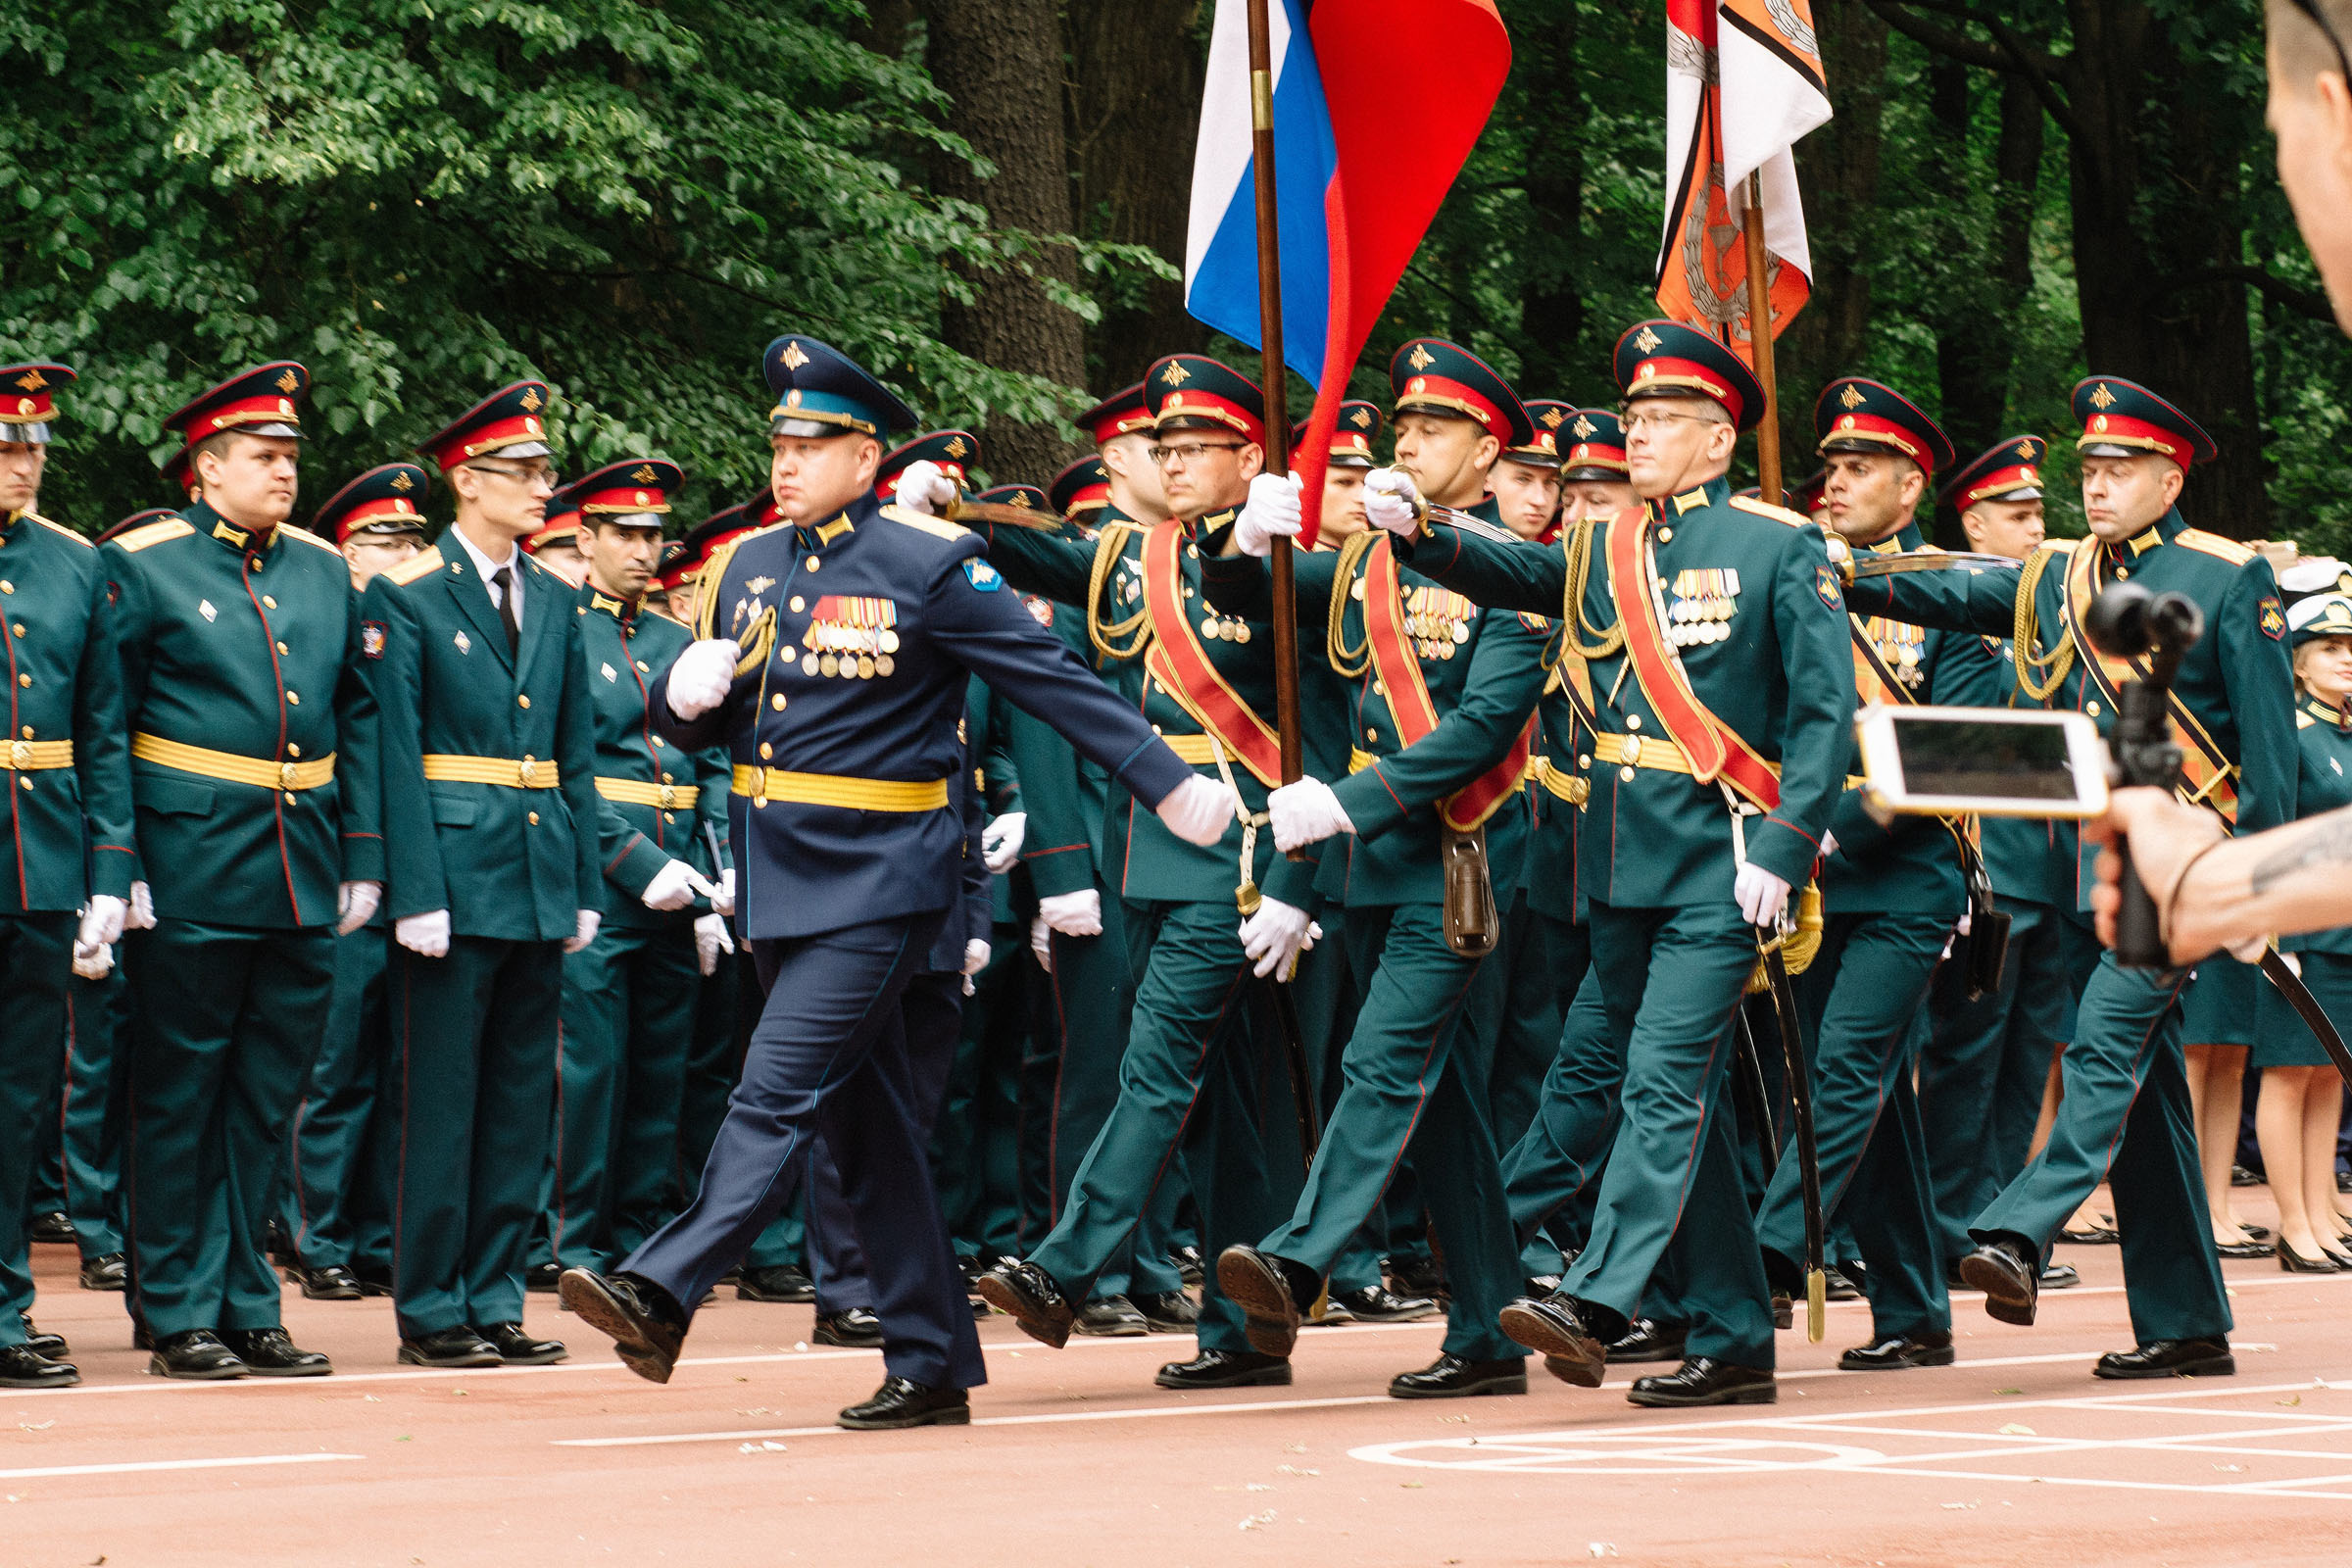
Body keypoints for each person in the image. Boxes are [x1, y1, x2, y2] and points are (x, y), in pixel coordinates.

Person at [558, 333, 1225, 1432]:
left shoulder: (930, 562)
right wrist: (683, 698)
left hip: (882, 882)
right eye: (779, 441)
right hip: (778, 876)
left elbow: (1047, 677)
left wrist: (1162, 779)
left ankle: (662, 1286)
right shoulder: (750, 567)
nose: (787, 462)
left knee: (774, 1088)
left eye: (814, 443)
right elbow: (715, 723)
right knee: (868, 1135)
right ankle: (931, 1361)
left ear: (865, 456)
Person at [1392, 320, 1854, 1406]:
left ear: (1716, 438)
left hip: (1722, 859)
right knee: (1640, 1085)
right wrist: (1419, 536)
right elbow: (1518, 573)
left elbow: (1825, 715)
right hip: (1619, 861)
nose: (1635, 436)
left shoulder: (1779, 546)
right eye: (1634, 418)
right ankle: (1735, 1334)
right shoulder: (1603, 546)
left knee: (1663, 1079)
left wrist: (1787, 844)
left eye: (1659, 421)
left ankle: (1599, 1292)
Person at [1845, 375, 2297, 1380]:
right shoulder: (2054, 574)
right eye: (2089, 468)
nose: (2098, 485)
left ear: (2170, 474)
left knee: (2099, 1043)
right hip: (2088, 863)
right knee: (2146, 1107)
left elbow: (2270, 758)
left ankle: (2017, 1229)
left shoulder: (2228, 578)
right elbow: (1953, 589)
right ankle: (2186, 1324)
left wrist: (2260, 884)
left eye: (2120, 468)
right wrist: (1844, 572)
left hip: (2183, 870)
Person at [968, 353, 1331, 1394]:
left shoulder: (1287, 559)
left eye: (1195, 448)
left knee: (1158, 1062)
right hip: (1150, 858)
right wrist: (924, 510)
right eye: (1159, 447)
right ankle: (1247, 1328)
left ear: (1249, 456)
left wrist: (1306, 881)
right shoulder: (1132, 559)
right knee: (1228, 1104)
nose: (1171, 463)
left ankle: (1064, 1266)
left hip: (1247, 859)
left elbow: (1334, 726)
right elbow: (1023, 553)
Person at [1214, 336, 1548, 1398]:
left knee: (1382, 1058)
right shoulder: (1361, 562)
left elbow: (1487, 726)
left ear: (1487, 453)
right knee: (1439, 1106)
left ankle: (1298, 1256)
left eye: (1433, 428)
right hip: (1370, 867)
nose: (1407, 443)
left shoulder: (1514, 568)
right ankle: (1489, 1329)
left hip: (1462, 862)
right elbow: (1243, 599)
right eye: (1402, 427)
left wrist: (1345, 803)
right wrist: (1244, 531)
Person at [110, 361, 374, 1380]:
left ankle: (245, 1296)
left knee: (266, 1094)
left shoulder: (318, 567)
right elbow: (109, 721)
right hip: (188, 860)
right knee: (179, 1091)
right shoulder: (145, 566)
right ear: (204, 467)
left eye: (291, 456)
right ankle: (174, 1302)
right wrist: (119, 859)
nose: (284, 472)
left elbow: (356, 712)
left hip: (298, 862)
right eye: (263, 457)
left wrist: (363, 855)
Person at [362, 379, 602, 1370]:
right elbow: (396, 753)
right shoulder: (407, 593)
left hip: (538, 872)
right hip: (454, 878)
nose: (544, 487)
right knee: (445, 1099)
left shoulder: (554, 596)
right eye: (524, 472)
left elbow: (574, 752)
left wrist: (586, 880)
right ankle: (432, 1303)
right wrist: (415, 890)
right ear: (469, 480)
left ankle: (496, 1292)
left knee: (517, 1101)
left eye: (547, 470)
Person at [1752, 376, 1975, 1373]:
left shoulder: (1954, 591)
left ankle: (1771, 1244)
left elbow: (1943, 757)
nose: (1834, 486)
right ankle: (1916, 1307)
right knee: (1865, 1097)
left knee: (1842, 1069)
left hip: (1907, 873)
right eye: (1829, 469)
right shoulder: (1792, 577)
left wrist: (1823, 829)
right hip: (1808, 877)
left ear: (1911, 482)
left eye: (1858, 468)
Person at [543, 460, 733, 1290]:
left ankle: (640, 1234)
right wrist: (641, 864)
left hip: (679, 881)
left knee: (663, 1065)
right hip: (601, 879)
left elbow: (714, 760)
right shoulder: (559, 631)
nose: (644, 549)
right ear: (585, 540)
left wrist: (715, 875)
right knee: (588, 1071)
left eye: (656, 534)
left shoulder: (674, 641)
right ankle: (571, 1239)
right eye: (625, 533)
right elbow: (563, 771)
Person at [1914, 436, 2085, 1295]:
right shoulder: (1960, 613)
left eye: (2040, 514)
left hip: (2054, 865)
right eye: (2017, 517)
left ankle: (2007, 1226)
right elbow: (1953, 742)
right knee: (1967, 1057)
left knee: (2030, 1057)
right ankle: (1950, 1222)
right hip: (1988, 863)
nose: (2035, 530)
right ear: (1972, 522)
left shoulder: (2058, 607)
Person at [0, 364, 133, 1390]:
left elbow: (101, 729)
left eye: (35, 445)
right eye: (7, 445)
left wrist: (108, 869)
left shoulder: (74, 564)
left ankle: (5, 1305)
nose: (25, 462)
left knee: (17, 1101)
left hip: (38, 859)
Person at [279, 463, 433, 1302]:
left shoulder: (407, 617)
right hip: (330, 863)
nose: (403, 551)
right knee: (335, 1065)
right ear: (346, 549)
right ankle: (320, 1236)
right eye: (385, 538)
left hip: (403, 874)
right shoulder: (332, 614)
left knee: (396, 1063)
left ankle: (375, 1234)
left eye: (413, 537)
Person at [2248, 593, 2352, 1270]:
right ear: (2302, 662)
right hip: (2302, 933)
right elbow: (2268, 834)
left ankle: (2322, 1217)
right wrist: (2275, 938)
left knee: (2328, 1077)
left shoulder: (2345, 735)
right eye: (2333, 651)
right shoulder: (2289, 733)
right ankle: (2293, 1224)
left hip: (2345, 932)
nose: (2347, 661)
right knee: (2288, 1075)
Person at [1491, 400, 1569, 541]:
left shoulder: (1571, 548)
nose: (1539, 500)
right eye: (1522, 479)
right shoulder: (1456, 543)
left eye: (1551, 481)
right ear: (1486, 477)